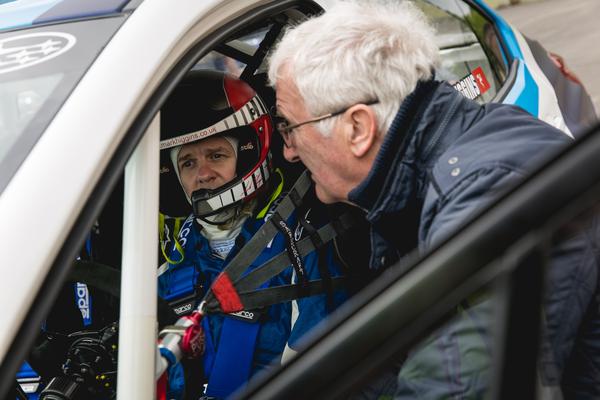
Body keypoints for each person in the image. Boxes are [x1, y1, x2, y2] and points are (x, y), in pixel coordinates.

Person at [267, 0, 600, 398]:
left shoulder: (489, 191)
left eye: (289, 127)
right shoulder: (416, 183)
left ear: (357, 128)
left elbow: (456, 386)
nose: (288, 151)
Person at [157, 70, 346, 399]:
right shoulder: (168, 268)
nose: (202, 174)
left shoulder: (301, 248)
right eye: (187, 163)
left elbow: (318, 378)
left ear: (247, 154)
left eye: (216, 155)